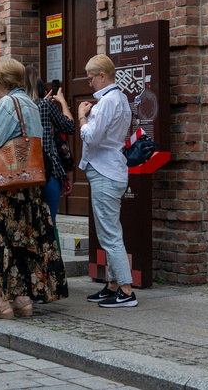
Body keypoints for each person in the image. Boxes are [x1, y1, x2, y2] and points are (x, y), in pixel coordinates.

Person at [0, 58, 67, 318]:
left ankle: (2, 304)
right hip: (26, 184)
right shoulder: (31, 104)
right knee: (22, 240)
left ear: (5, 81)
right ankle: (23, 300)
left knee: (0, 239)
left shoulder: (8, 103)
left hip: (2, 186)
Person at [78, 54, 136, 308]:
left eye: (91, 78)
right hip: (111, 170)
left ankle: (126, 289)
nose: (89, 83)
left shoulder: (109, 101)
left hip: (105, 172)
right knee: (109, 231)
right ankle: (113, 285)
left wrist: (81, 116)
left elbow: (91, 137)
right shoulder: (120, 98)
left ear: (102, 75)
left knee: (110, 235)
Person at [24, 65, 74, 222]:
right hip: (47, 171)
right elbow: (69, 126)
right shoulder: (45, 105)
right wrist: (62, 101)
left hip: (23, 173)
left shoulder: (16, 106)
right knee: (49, 224)